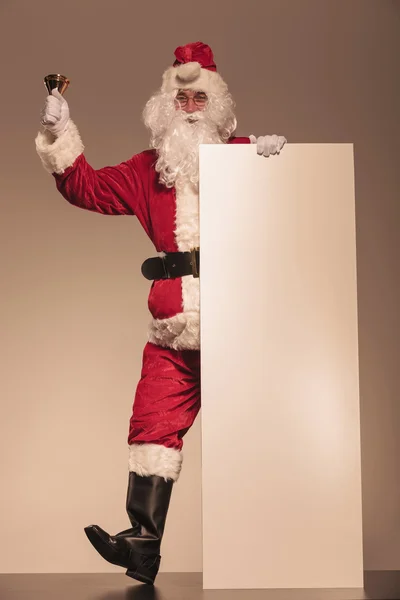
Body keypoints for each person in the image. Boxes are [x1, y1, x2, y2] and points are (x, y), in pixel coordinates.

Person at [35, 41, 286, 585]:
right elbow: (88, 189)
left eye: (200, 98)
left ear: (216, 104)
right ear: (164, 107)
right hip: (173, 329)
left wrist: (279, 165)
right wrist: (60, 132)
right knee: (151, 426)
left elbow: (300, 209)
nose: (191, 107)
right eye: (182, 98)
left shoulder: (247, 155)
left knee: (264, 430)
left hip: (240, 328)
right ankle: (143, 544)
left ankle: (280, 545)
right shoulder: (149, 170)